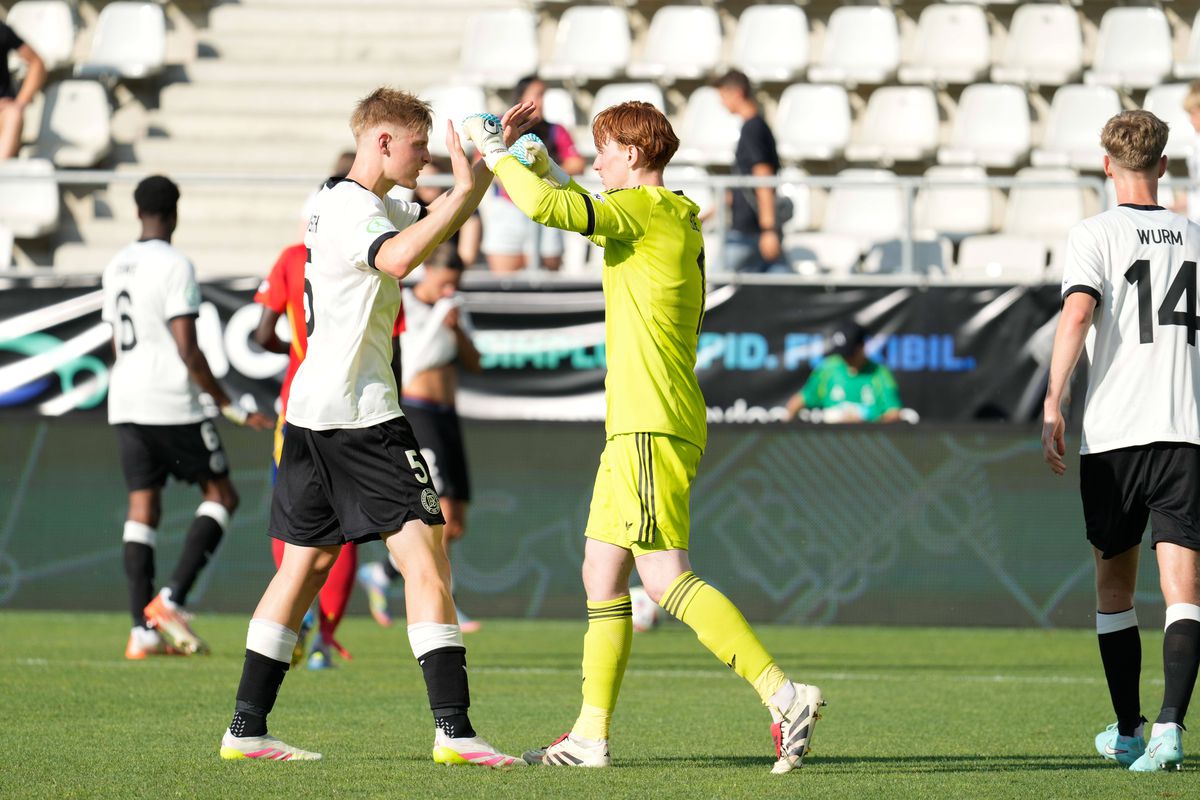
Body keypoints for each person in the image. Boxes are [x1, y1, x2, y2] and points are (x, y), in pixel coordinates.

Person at [463, 102, 824, 773]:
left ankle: (784, 693)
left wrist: (497, 153)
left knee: (662, 576)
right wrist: (549, 169)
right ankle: (588, 737)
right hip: (640, 421)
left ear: (632, 153)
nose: (596, 163)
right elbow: (578, 206)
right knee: (601, 569)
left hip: (649, 421)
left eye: (603, 151)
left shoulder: (648, 211)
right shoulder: (660, 215)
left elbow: (550, 212)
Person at [218, 87, 535, 765]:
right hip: (361, 417)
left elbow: (429, 222)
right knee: (426, 558)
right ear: (383, 141)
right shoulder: (350, 210)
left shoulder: (350, 199)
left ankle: (245, 729)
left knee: (305, 568)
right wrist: (467, 184)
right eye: (417, 145)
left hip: (310, 415)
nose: (424, 157)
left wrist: (479, 168)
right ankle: (455, 732)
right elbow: (398, 257)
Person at [1043, 109, 1200, 772]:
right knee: (1183, 590)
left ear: (1108, 166)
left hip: (1114, 437)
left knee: (1115, 587)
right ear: (1164, 165)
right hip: (1185, 430)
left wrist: (1054, 399)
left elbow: (1079, 311)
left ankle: (1132, 731)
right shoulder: (1195, 236)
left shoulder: (1094, 233)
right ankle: (1170, 727)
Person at [101, 175, 272, 660]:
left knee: (142, 509)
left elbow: (116, 340)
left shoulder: (117, 265)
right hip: (170, 399)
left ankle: (142, 632)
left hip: (126, 398)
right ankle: (171, 600)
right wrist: (225, 405)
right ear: (174, 213)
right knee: (221, 494)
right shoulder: (175, 264)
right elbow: (188, 350)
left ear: (138, 212)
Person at [358, 243, 483, 632]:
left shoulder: (453, 309)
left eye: (455, 284)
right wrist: (438, 319)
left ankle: (382, 572)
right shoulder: (408, 305)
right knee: (438, 509)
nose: (450, 290)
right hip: (420, 411)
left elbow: (475, 362)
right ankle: (446, 601)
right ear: (428, 271)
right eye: (445, 282)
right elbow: (413, 362)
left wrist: (456, 326)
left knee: (457, 521)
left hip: (448, 415)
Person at [482, 75, 584, 272]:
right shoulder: (499, 127)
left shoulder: (556, 130)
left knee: (547, 276)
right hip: (509, 210)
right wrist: (516, 178)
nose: (543, 101)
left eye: (544, 95)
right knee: (506, 282)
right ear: (521, 98)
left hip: (548, 207)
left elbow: (576, 163)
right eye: (538, 95)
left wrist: (544, 169)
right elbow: (482, 161)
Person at [714, 70, 787, 274]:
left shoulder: (752, 129)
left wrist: (768, 230)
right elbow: (742, 183)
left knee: (709, 288)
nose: (722, 103)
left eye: (723, 96)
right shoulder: (756, 126)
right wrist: (708, 214)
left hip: (750, 232)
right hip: (755, 230)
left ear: (737, 93)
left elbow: (763, 178)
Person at [783, 322, 902, 423]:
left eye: (849, 353)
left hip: (868, 444)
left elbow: (894, 413)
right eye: (842, 353)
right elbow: (800, 400)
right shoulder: (828, 368)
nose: (845, 358)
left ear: (861, 347)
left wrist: (865, 418)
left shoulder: (879, 373)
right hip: (830, 442)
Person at [414, 159, 482, 267]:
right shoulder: (410, 210)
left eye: (434, 179)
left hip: (453, 270)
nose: (430, 185)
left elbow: (467, 256)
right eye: (425, 181)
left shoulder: (465, 207)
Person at [0, 21, 44, 159]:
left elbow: (37, 63)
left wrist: (20, 103)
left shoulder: (2, 31)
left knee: (14, 115)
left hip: (4, 111)